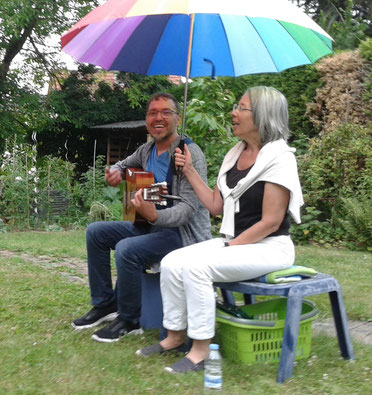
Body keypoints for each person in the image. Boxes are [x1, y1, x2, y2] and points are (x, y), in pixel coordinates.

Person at [136, 86, 304, 373]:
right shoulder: (235, 154)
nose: (233, 113)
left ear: (262, 115)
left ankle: (201, 350)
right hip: (235, 241)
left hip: (270, 247)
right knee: (172, 261)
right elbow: (215, 206)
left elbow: (271, 222)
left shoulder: (280, 158)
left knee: (197, 267)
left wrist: (230, 247)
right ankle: (175, 337)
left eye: (241, 107)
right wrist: (188, 169)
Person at [72, 92, 211, 342]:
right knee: (96, 231)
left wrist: (155, 215)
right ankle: (105, 304)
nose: (158, 117)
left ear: (177, 119)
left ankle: (129, 319)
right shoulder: (146, 150)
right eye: (152, 113)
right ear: (146, 119)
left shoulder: (189, 153)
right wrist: (115, 172)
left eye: (166, 112)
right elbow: (122, 165)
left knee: (127, 249)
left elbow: (189, 209)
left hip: (182, 235)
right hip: (151, 226)